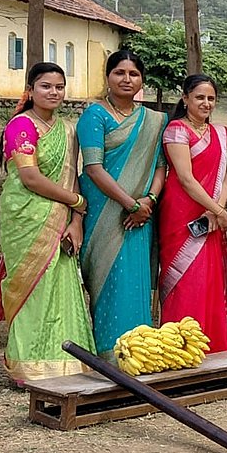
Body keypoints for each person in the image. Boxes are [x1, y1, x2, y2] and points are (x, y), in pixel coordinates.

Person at [0, 63, 96, 380]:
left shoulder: (67, 130)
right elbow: (31, 178)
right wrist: (76, 201)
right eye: (46, 86)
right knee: (33, 289)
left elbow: (72, 175)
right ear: (31, 90)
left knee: (62, 288)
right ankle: (29, 365)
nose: (54, 92)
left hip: (62, 218)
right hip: (25, 218)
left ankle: (67, 363)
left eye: (59, 87)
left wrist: (77, 220)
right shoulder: (21, 126)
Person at [78, 50, 168, 357]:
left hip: (142, 215)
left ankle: (140, 352)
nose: (126, 79)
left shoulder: (153, 120)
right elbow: (93, 168)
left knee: (134, 280)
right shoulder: (94, 115)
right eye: (119, 72)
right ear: (107, 77)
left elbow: (160, 166)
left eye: (133, 74)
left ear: (142, 80)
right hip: (105, 214)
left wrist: (149, 200)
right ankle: (109, 354)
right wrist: (131, 204)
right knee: (109, 280)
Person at [158, 74, 227, 352]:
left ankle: (211, 348)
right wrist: (218, 211)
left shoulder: (220, 132)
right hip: (182, 215)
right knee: (186, 279)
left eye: (211, 98)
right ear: (185, 98)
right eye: (200, 97)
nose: (206, 103)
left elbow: (223, 177)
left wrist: (217, 212)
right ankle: (179, 348)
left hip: (210, 217)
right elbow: (185, 179)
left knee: (208, 280)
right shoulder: (176, 130)